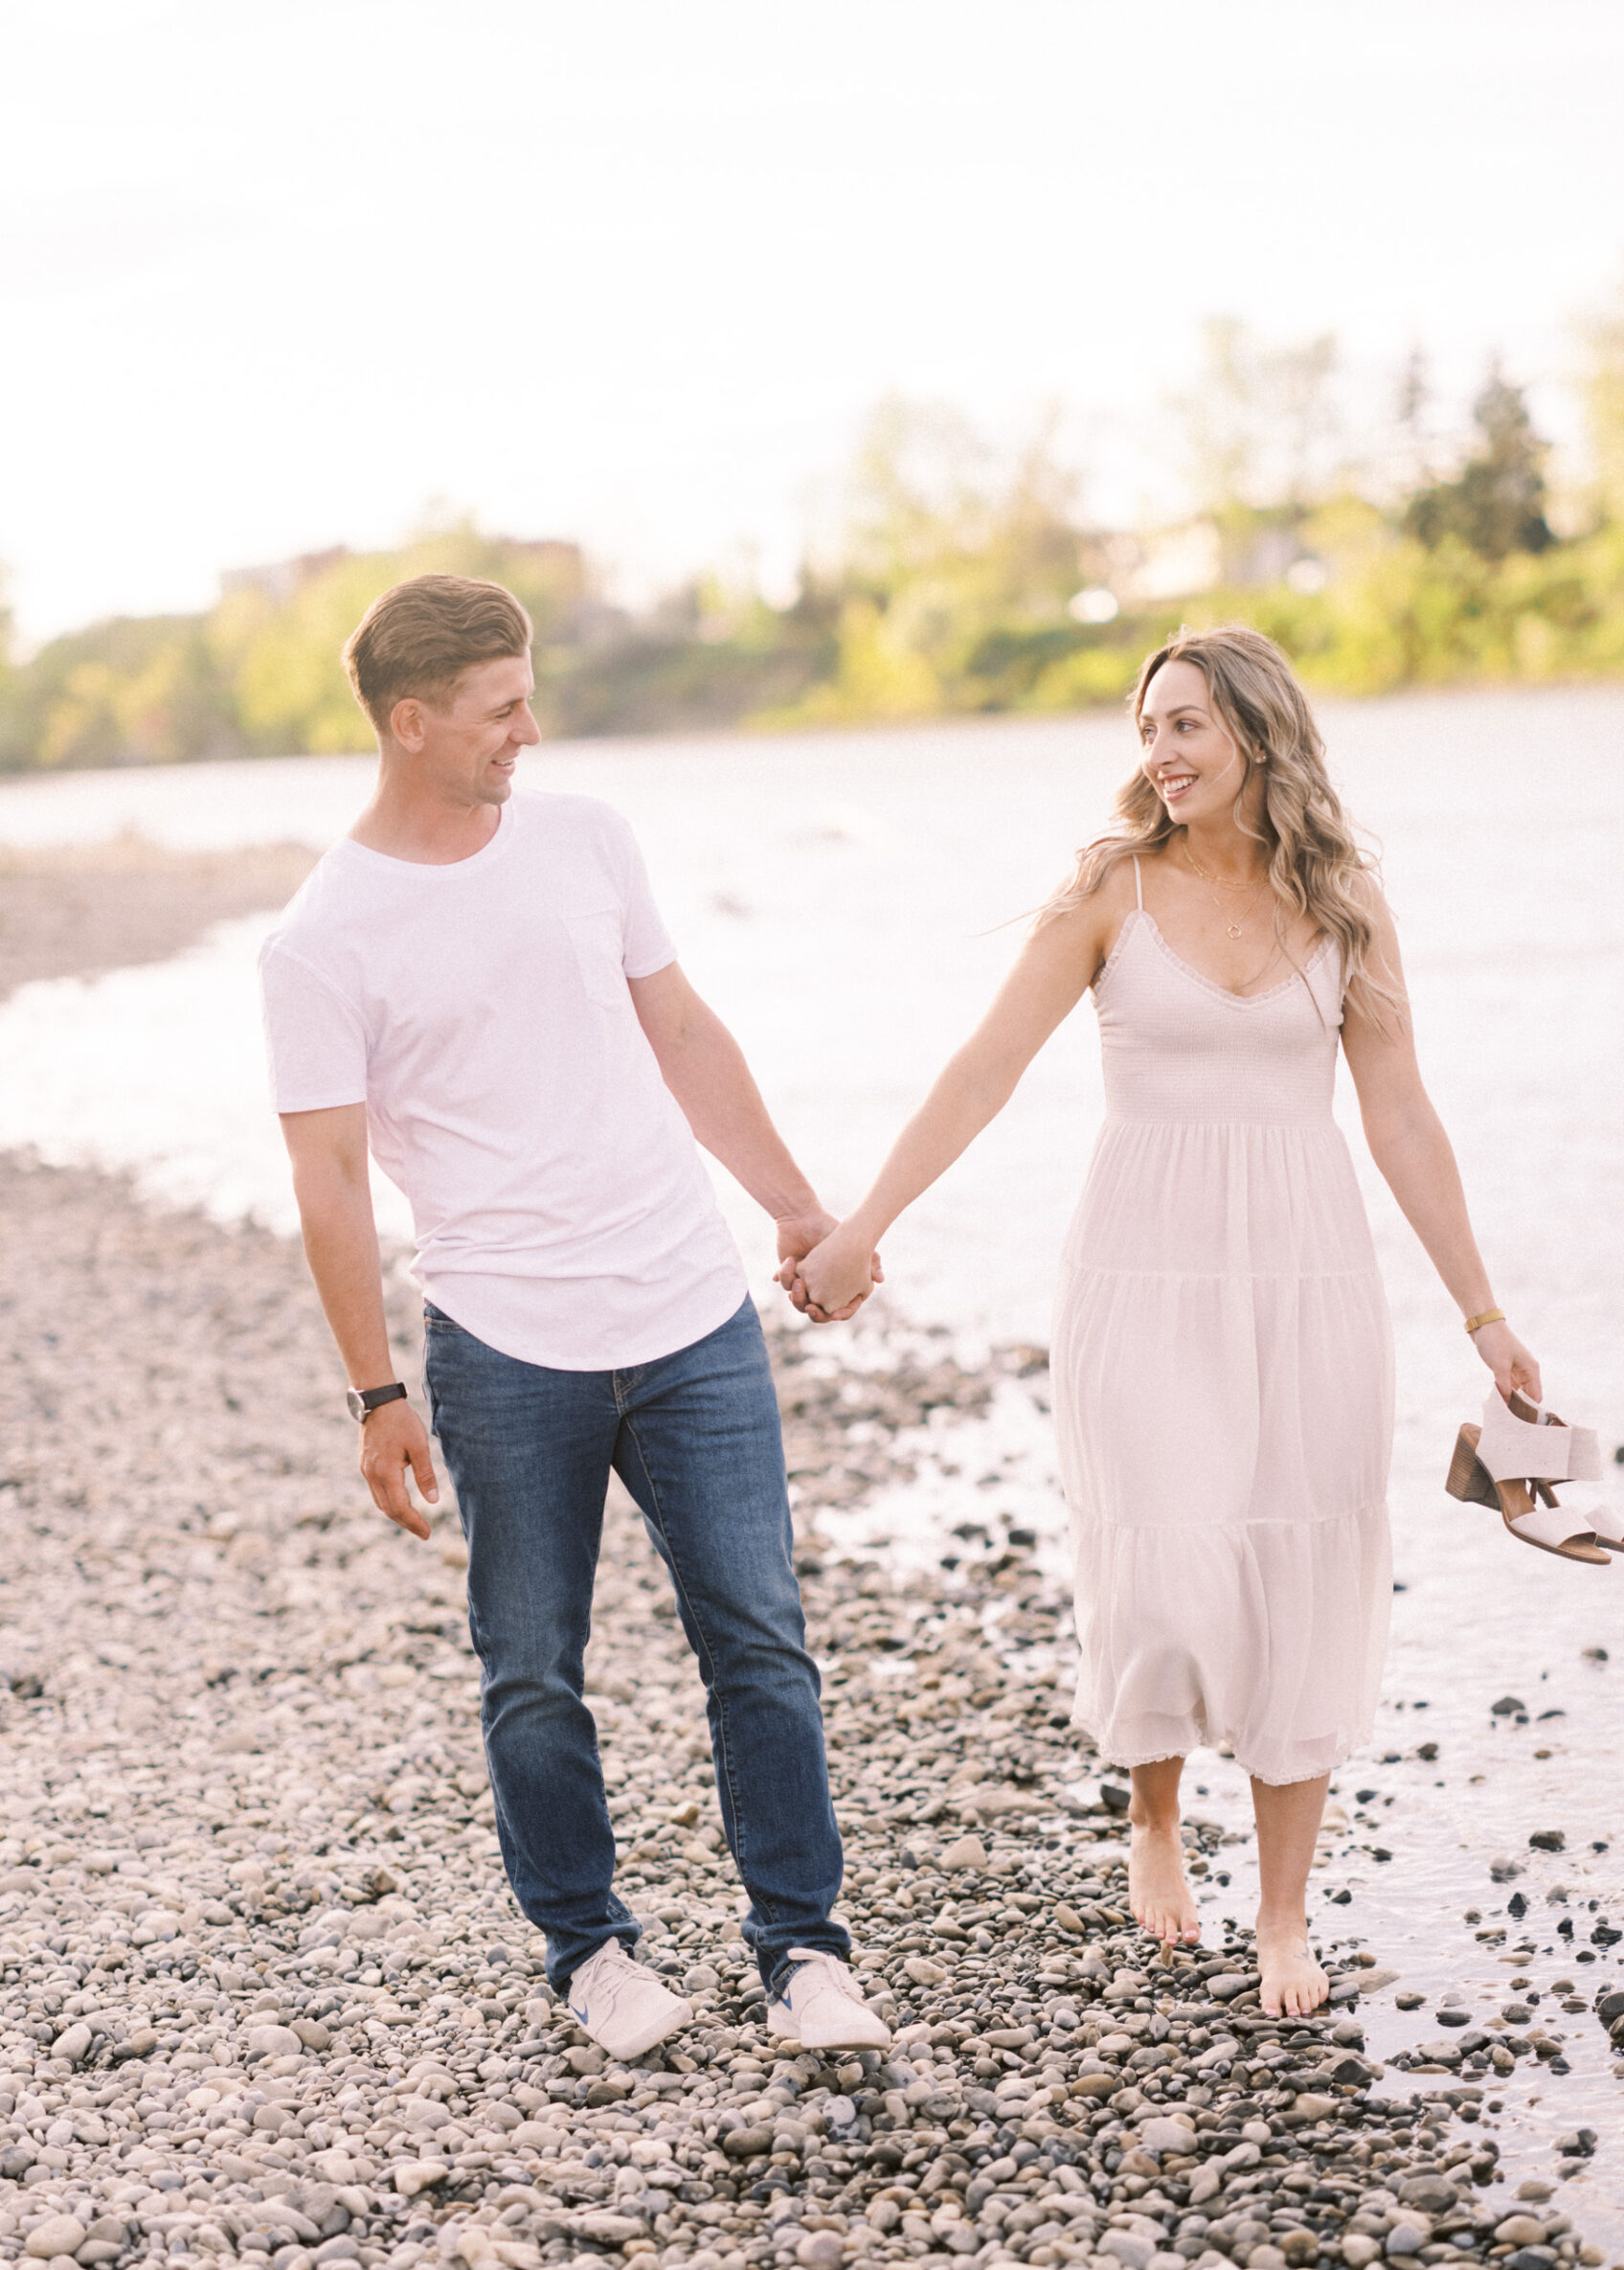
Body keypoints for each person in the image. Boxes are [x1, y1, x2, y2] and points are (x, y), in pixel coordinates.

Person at [789, 624, 1542, 2017]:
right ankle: (1151, 1812)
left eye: (1187, 725)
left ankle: (1283, 1911)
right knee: (1173, 1576)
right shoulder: (1107, 890)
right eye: (1149, 730)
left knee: (1295, 1577)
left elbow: (1402, 1113)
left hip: (1307, 1280)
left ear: (1258, 731)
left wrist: (1484, 1315)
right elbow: (982, 1071)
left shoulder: (1344, 901)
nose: (1162, 754)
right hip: (1142, 1278)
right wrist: (860, 1229)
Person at [258, 572, 889, 2061]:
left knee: (763, 1642)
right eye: (498, 710)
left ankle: (804, 1952)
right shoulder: (322, 939)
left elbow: (681, 1029)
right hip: (503, 1347)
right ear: (411, 724)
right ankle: (590, 1951)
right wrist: (375, 1396)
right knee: (534, 1667)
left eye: (527, 697)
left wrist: (798, 1210)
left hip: (689, 1311)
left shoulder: (587, 838)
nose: (528, 730)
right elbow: (330, 1180)